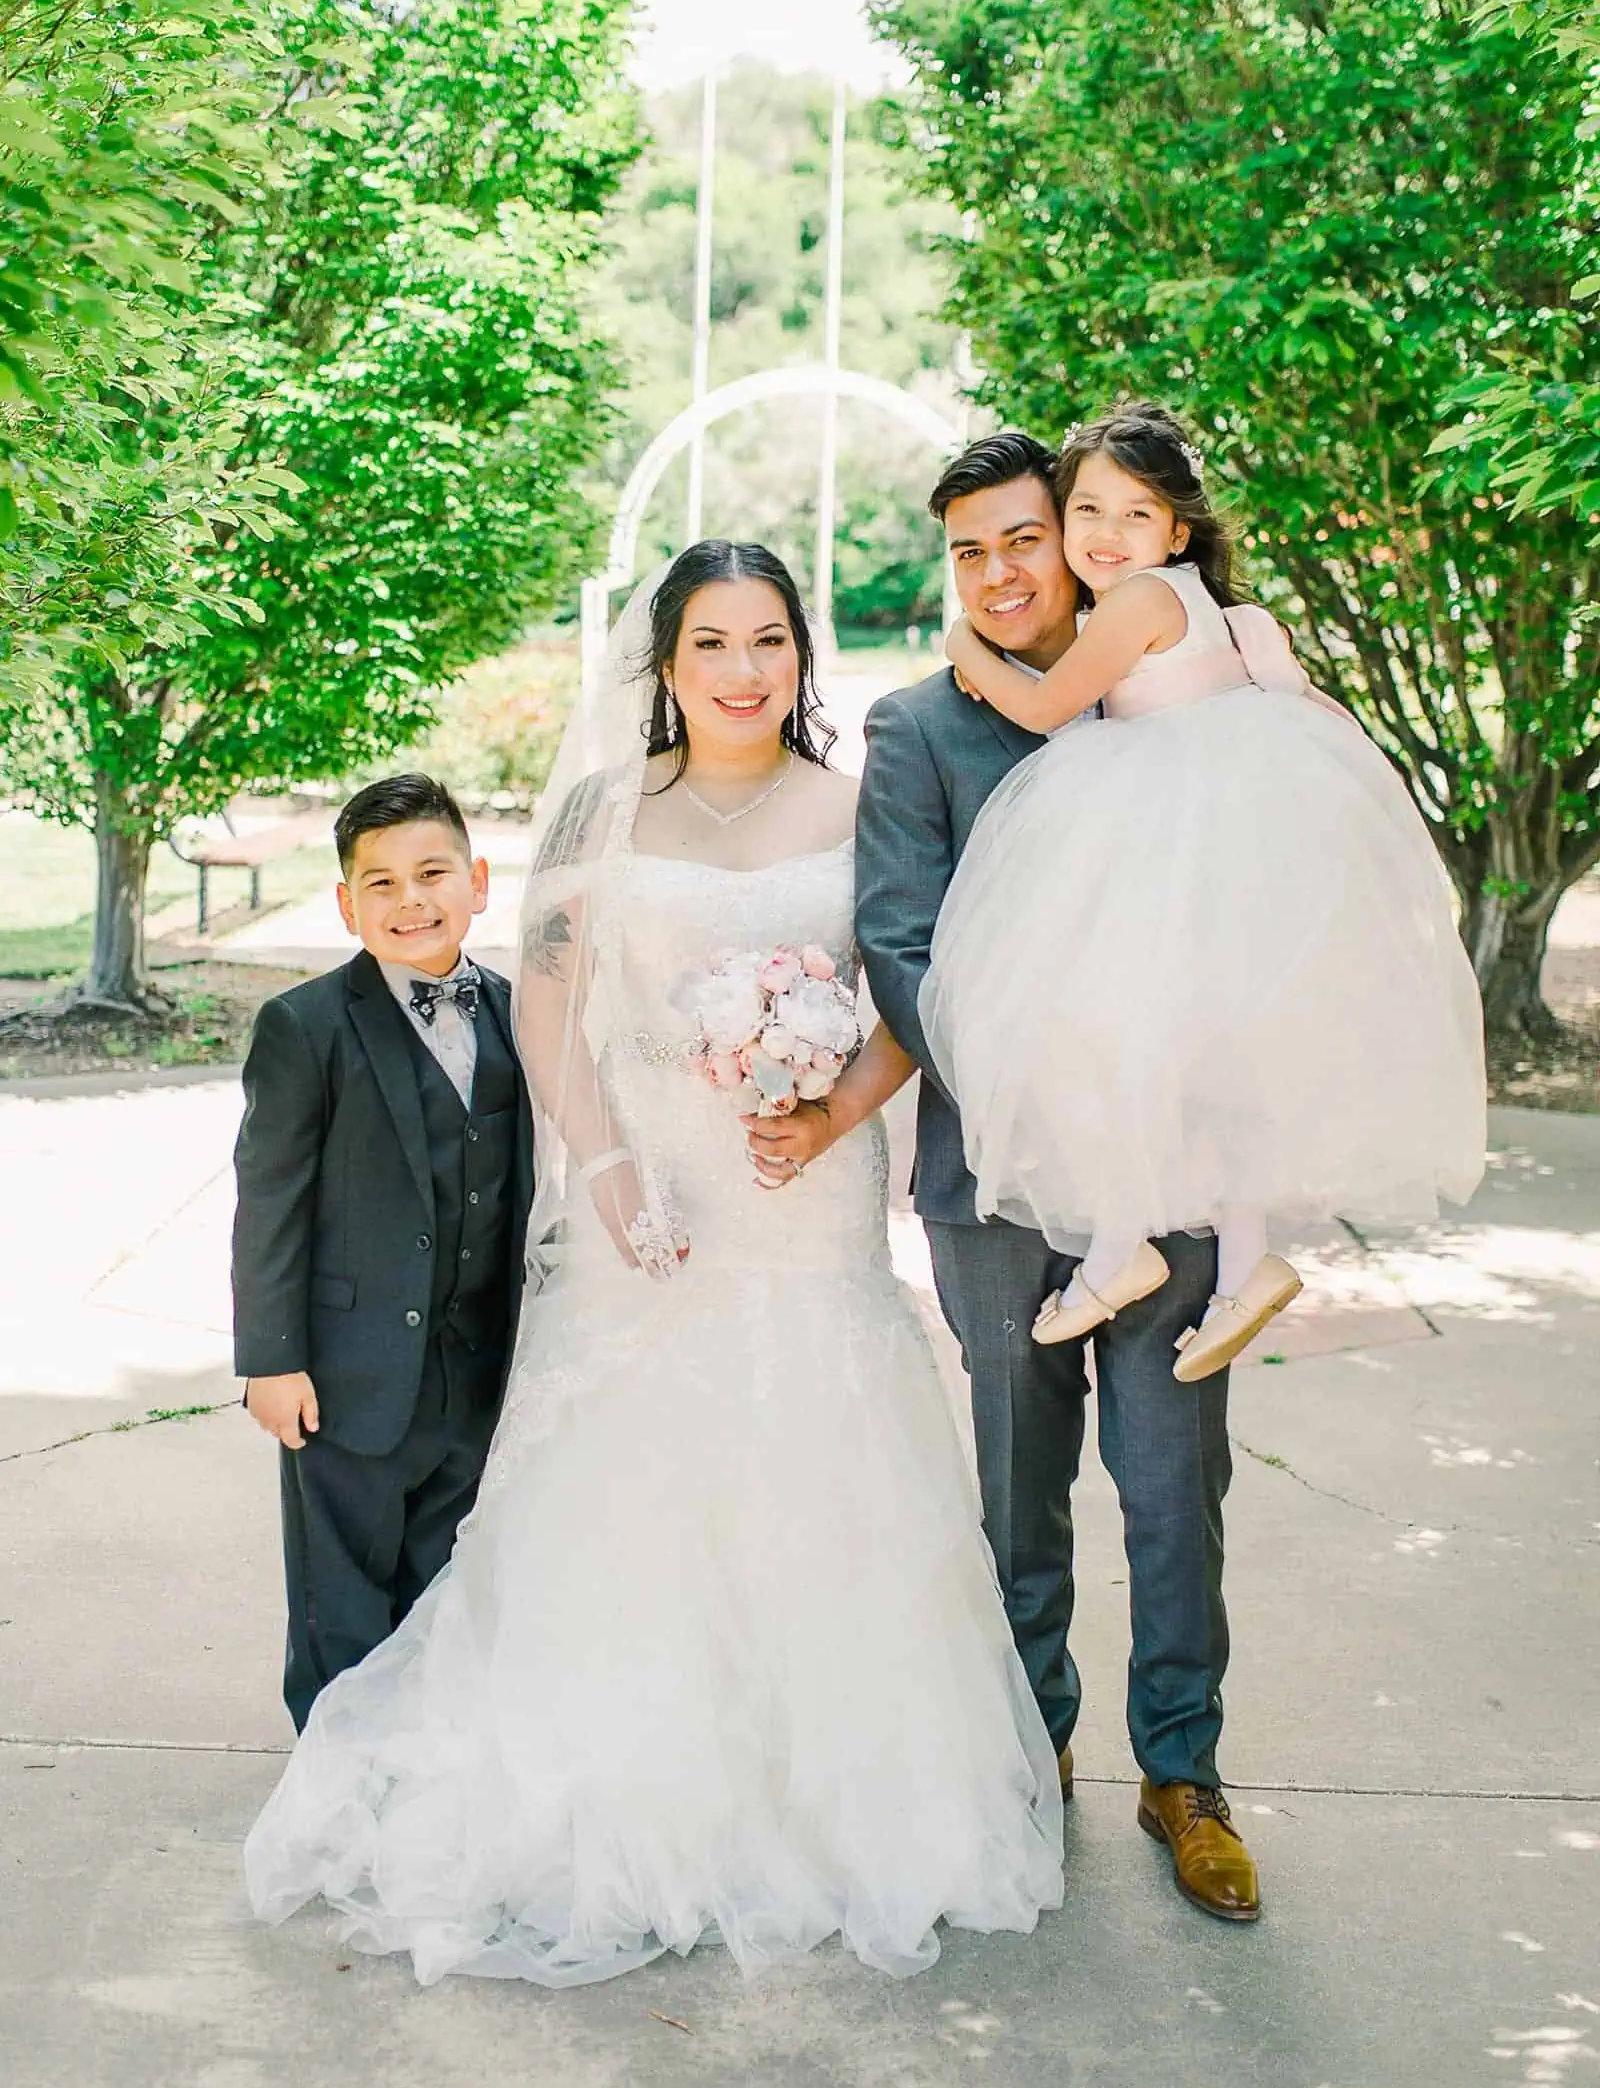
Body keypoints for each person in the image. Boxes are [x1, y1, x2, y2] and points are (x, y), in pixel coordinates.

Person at [242, 542, 1063, 1987]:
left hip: (807, 1204)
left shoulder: (860, 803)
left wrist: (829, 1115)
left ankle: (830, 1799)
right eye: (711, 646)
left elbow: (910, 989)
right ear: (665, 665)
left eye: (769, 642)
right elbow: (551, 1006)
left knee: (823, 1475)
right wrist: (610, 1173)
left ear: (802, 654)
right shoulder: (595, 810)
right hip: (657, 1209)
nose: (744, 673)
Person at [817, 427, 1261, 1922]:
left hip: (1165, 1169)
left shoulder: (1161, 695)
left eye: (1024, 537)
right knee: (1022, 1484)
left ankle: (1184, 1774)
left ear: (1074, 540)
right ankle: (1027, 1755)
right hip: (1000, 1183)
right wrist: (1033, 1092)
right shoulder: (918, 732)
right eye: (971, 551)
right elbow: (900, 946)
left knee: (1172, 1482)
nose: (1002, 571)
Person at [921, 402, 1486, 1384]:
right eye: (1085, 510)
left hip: (1168, 832)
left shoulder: (1140, 603)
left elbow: (1051, 705)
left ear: (1176, 531)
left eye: (1133, 516)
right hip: (1207, 836)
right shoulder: (1181, 603)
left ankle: (1122, 1250)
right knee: (1201, 1068)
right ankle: (1236, 1261)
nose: (1103, 535)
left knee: (1110, 1037)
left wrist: (966, 649)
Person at [232, 773, 534, 1734]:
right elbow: (269, 1201)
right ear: (345, 903)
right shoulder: (306, 1027)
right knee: (342, 1597)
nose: (412, 902)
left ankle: (421, 1784)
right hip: (344, 1373)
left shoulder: (521, 1014)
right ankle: (335, 1787)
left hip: (475, 1369)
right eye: (383, 884)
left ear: (478, 882)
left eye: (433, 873)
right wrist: (270, 1359)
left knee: (444, 1588)